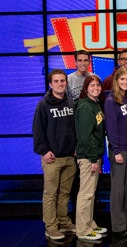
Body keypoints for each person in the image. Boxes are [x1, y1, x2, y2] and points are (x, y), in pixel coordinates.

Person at [33, 69, 77, 240]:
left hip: (69, 156)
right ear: (50, 84)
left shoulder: (70, 102)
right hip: (52, 158)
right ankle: (51, 226)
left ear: (66, 83)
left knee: (65, 193)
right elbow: (38, 131)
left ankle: (63, 221)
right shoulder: (43, 105)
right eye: (56, 81)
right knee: (50, 194)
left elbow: (73, 129)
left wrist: (75, 147)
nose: (60, 84)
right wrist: (43, 151)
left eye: (62, 81)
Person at [104, 66, 127, 238]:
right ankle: (118, 226)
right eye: (122, 79)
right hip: (119, 150)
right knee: (118, 189)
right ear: (116, 81)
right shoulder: (111, 100)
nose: (125, 82)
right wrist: (115, 150)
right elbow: (111, 128)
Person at [75, 75, 107, 240]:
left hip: (94, 155)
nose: (96, 88)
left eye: (98, 85)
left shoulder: (94, 104)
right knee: (86, 194)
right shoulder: (85, 107)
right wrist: (93, 159)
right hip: (88, 157)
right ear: (85, 88)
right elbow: (85, 137)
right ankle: (82, 230)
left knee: (91, 193)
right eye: (92, 85)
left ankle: (89, 224)